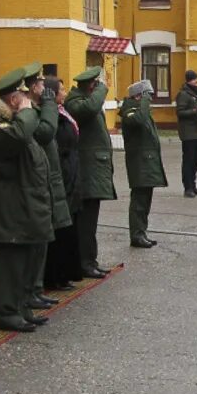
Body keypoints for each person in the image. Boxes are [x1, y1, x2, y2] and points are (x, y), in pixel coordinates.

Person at [0, 67, 55, 332]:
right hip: (9, 200)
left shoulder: (12, 120)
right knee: (10, 260)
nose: (28, 101)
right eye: (22, 96)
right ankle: (8, 312)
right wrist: (28, 110)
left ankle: (21, 307)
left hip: (23, 197)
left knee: (25, 256)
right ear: (12, 100)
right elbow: (19, 137)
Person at [23, 64, 69, 311]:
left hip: (48, 177)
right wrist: (50, 105)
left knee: (44, 236)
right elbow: (45, 132)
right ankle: (30, 290)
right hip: (38, 181)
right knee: (37, 237)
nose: (46, 89)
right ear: (32, 87)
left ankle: (36, 288)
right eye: (41, 84)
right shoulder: (30, 111)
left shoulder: (39, 108)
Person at [65, 66, 115, 278]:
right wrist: (103, 89)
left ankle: (89, 260)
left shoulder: (84, 99)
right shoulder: (75, 102)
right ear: (91, 84)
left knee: (90, 219)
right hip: (87, 171)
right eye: (96, 83)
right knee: (85, 221)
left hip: (94, 169)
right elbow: (90, 108)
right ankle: (85, 263)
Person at [42, 77, 83, 290]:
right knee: (60, 227)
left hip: (71, 171)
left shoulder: (62, 112)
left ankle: (67, 272)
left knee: (70, 223)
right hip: (63, 173)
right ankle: (55, 275)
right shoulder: (51, 115)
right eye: (62, 89)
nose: (65, 92)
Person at [120, 80, 167, 249]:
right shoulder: (130, 111)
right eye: (148, 95)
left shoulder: (141, 111)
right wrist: (145, 102)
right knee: (139, 202)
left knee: (145, 201)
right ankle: (137, 234)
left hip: (147, 163)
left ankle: (141, 233)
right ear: (138, 96)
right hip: (139, 164)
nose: (151, 99)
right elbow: (139, 120)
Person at [175, 70, 197, 198]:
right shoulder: (184, 94)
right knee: (189, 160)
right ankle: (188, 187)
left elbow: (196, 109)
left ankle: (193, 184)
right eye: (194, 79)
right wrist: (196, 110)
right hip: (188, 131)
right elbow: (180, 112)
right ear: (188, 80)